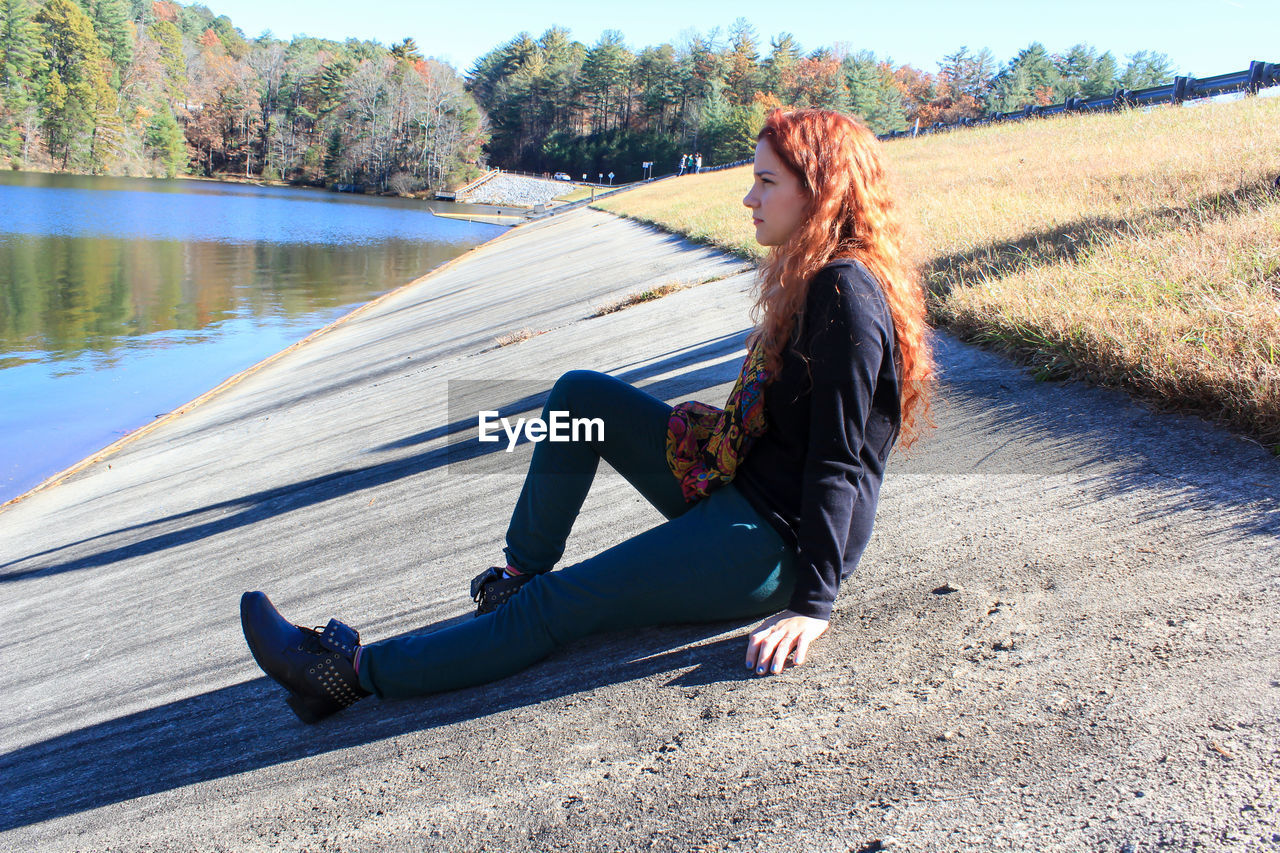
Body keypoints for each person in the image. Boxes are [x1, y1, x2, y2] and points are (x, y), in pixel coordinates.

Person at [240, 107, 934, 724]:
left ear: (820, 193)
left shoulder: (844, 292)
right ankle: (515, 579)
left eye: (766, 182)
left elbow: (843, 461)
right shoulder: (814, 273)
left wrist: (813, 604)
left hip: (771, 543)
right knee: (580, 399)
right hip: (738, 481)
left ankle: (347, 673)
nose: (748, 196)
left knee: (564, 606)